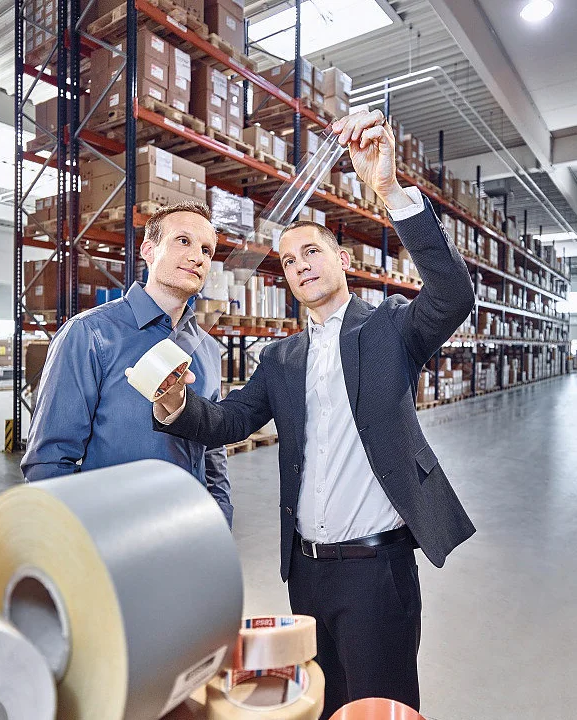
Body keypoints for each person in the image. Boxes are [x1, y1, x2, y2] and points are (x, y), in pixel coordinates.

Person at [150, 110, 476, 716]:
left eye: (312, 251)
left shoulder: (389, 330)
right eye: (289, 258)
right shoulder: (281, 358)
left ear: (339, 260)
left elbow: (454, 294)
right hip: (306, 574)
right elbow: (230, 421)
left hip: (377, 570)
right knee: (321, 706)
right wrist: (176, 406)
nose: (300, 263)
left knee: (379, 706)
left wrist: (389, 192)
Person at [21, 200, 232, 526]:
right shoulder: (90, 333)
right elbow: (49, 458)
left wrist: (220, 520)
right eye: (183, 241)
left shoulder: (206, 348)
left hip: (191, 532)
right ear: (148, 250)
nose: (197, 257)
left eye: (207, 250)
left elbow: (213, 449)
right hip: (113, 534)